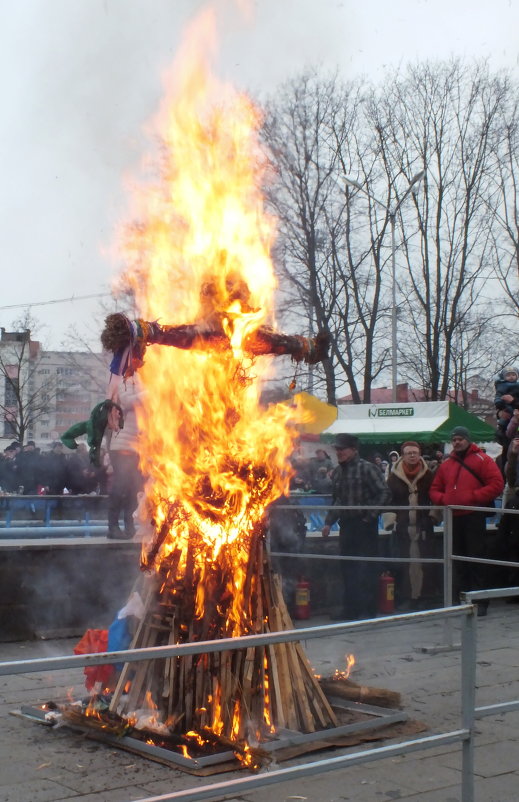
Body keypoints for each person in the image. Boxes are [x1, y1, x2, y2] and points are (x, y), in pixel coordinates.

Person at [429, 426, 504, 616]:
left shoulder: (482, 460)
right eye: (454, 439)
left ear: (468, 440)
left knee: (476, 560)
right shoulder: (446, 465)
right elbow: (435, 488)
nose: (457, 442)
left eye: (460, 439)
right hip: (453, 517)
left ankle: (480, 601)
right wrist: (444, 499)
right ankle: (462, 599)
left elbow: (497, 484)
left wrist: (473, 497)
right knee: (458, 560)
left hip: (473, 516)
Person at [322, 433, 391, 620]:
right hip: (347, 525)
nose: (338, 452)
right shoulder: (337, 472)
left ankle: (368, 609)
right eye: (337, 449)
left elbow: (384, 493)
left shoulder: (368, 469)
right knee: (348, 568)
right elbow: (338, 500)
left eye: (342, 449)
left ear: (353, 450)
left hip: (365, 526)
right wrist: (328, 522)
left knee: (368, 567)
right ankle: (350, 609)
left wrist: (369, 517)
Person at [386, 441, 441, 610]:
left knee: (426, 563)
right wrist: (391, 521)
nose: (412, 455)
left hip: (424, 525)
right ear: (403, 455)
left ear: (419, 454)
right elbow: (389, 499)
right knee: (405, 563)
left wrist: (433, 517)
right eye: (409, 453)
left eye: (415, 452)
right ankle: (407, 596)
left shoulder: (428, 475)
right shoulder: (394, 476)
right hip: (403, 526)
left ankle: (425, 596)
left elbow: (436, 496)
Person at [106, 379, 144, 539]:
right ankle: (113, 527)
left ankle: (129, 525)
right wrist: (153, 393)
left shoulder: (146, 383)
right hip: (122, 445)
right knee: (120, 487)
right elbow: (127, 401)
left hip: (138, 446)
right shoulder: (126, 380)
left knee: (134, 489)